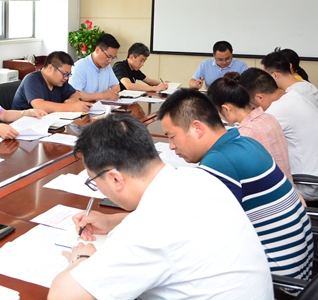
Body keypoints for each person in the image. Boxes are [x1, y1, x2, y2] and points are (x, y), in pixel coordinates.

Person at [48, 115, 272, 300]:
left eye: (94, 180)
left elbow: (62, 296)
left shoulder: (147, 229)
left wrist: (83, 259)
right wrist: (110, 221)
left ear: (115, 178)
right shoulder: (199, 178)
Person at [158, 89, 313, 279]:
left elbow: (193, 230)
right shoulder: (246, 142)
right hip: (299, 267)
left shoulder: (220, 161)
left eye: (172, 136)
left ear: (197, 128)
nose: (172, 146)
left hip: (277, 279)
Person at [239, 67, 318, 201]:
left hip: (307, 184)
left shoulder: (276, 110)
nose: (253, 110)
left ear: (260, 97)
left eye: (252, 106)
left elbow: (247, 135)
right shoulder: (294, 96)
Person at [206, 72, 295, 184]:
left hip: (269, 191)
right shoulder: (268, 117)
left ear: (226, 109)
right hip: (287, 187)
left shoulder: (246, 133)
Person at [12, 51, 93, 113]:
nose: (66, 78)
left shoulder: (60, 82)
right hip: (23, 125)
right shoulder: (32, 80)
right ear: (50, 68)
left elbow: (76, 95)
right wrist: (71, 107)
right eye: (64, 74)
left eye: (68, 75)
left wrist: (70, 101)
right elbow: (40, 106)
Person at [69, 33, 120, 101]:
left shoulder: (107, 66)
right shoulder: (79, 67)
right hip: (85, 106)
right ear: (97, 50)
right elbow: (74, 95)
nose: (110, 61)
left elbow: (116, 86)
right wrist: (102, 95)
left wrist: (111, 93)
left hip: (104, 105)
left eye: (113, 58)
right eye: (109, 57)